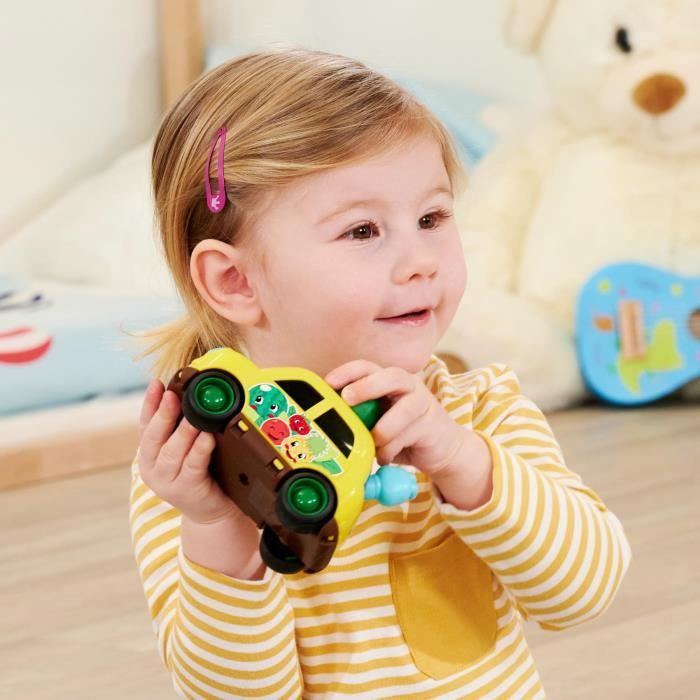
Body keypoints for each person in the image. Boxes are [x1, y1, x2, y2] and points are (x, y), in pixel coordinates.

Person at [130, 47, 631, 699]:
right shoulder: (193, 471)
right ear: (236, 282)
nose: (421, 260)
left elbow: (583, 593)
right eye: (364, 231)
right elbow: (237, 693)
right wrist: (219, 528)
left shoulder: (481, 414)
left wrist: (461, 463)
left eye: (432, 218)